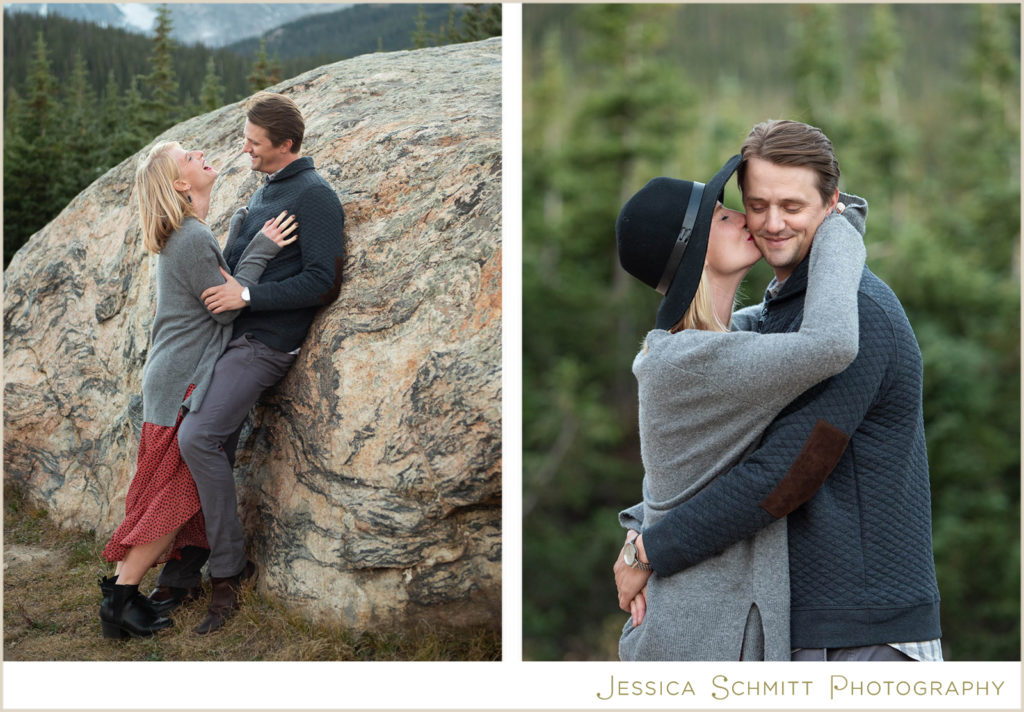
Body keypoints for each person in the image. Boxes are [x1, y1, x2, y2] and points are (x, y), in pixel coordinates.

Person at [615, 120, 942, 662]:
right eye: (754, 205)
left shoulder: (857, 311)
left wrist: (649, 547)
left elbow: (791, 471)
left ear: (830, 203)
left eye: (792, 206)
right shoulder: (770, 319)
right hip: (797, 627)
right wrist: (640, 538)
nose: (767, 224)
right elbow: (703, 462)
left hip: (861, 630)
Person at [149, 92, 346, 635]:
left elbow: (323, 282)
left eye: (255, 143)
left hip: (265, 343)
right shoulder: (264, 194)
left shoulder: (315, 196)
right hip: (227, 341)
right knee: (193, 442)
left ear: (285, 144)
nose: (246, 150)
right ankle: (187, 564)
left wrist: (250, 299)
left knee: (197, 439)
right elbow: (231, 273)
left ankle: (228, 575)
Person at [100, 141, 298, 639]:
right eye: (188, 156)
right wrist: (261, 249)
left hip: (177, 376)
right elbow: (228, 307)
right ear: (181, 185)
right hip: (179, 381)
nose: (200, 153)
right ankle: (120, 599)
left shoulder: (191, 235)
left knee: (171, 493)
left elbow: (219, 291)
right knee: (177, 493)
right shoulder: (188, 237)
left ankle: (131, 593)